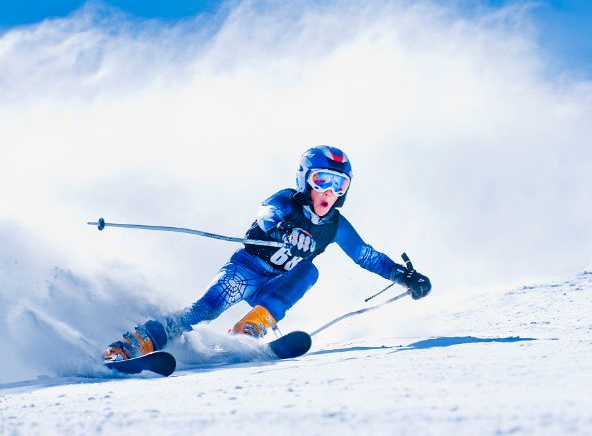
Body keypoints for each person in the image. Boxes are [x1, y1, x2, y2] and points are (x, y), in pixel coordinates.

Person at [103, 145, 432, 361]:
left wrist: (403, 277)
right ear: (305, 179)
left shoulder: (336, 226)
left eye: (339, 185)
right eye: (322, 180)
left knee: (310, 271)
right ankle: (133, 344)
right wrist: (285, 230)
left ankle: (249, 329)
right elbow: (266, 214)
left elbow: (365, 255)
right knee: (204, 309)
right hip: (246, 270)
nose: (329, 192)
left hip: (278, 283)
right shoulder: (287, 200)